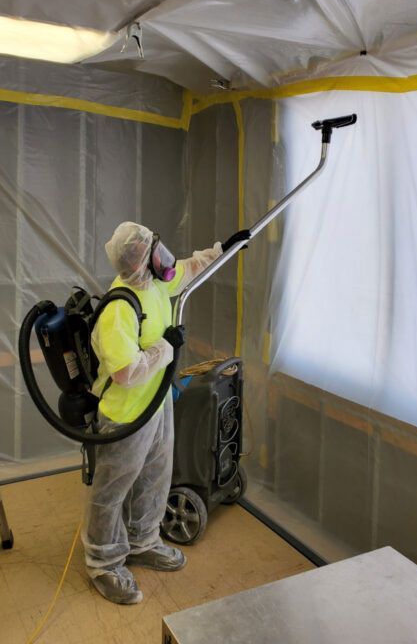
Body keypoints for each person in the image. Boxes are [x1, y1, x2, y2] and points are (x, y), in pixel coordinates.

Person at [82, 221, 250, 604]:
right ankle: (103, 563)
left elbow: (189, 270)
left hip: (156, 405)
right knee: (111, 490)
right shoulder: (119, 308)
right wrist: (164, 348)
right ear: (140, 260)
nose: (163, 257)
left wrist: (224, 248)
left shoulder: (155, 285)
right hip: (125, 415)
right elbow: (125, 372)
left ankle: (143, 540)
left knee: (156, 476)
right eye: (154, 252)